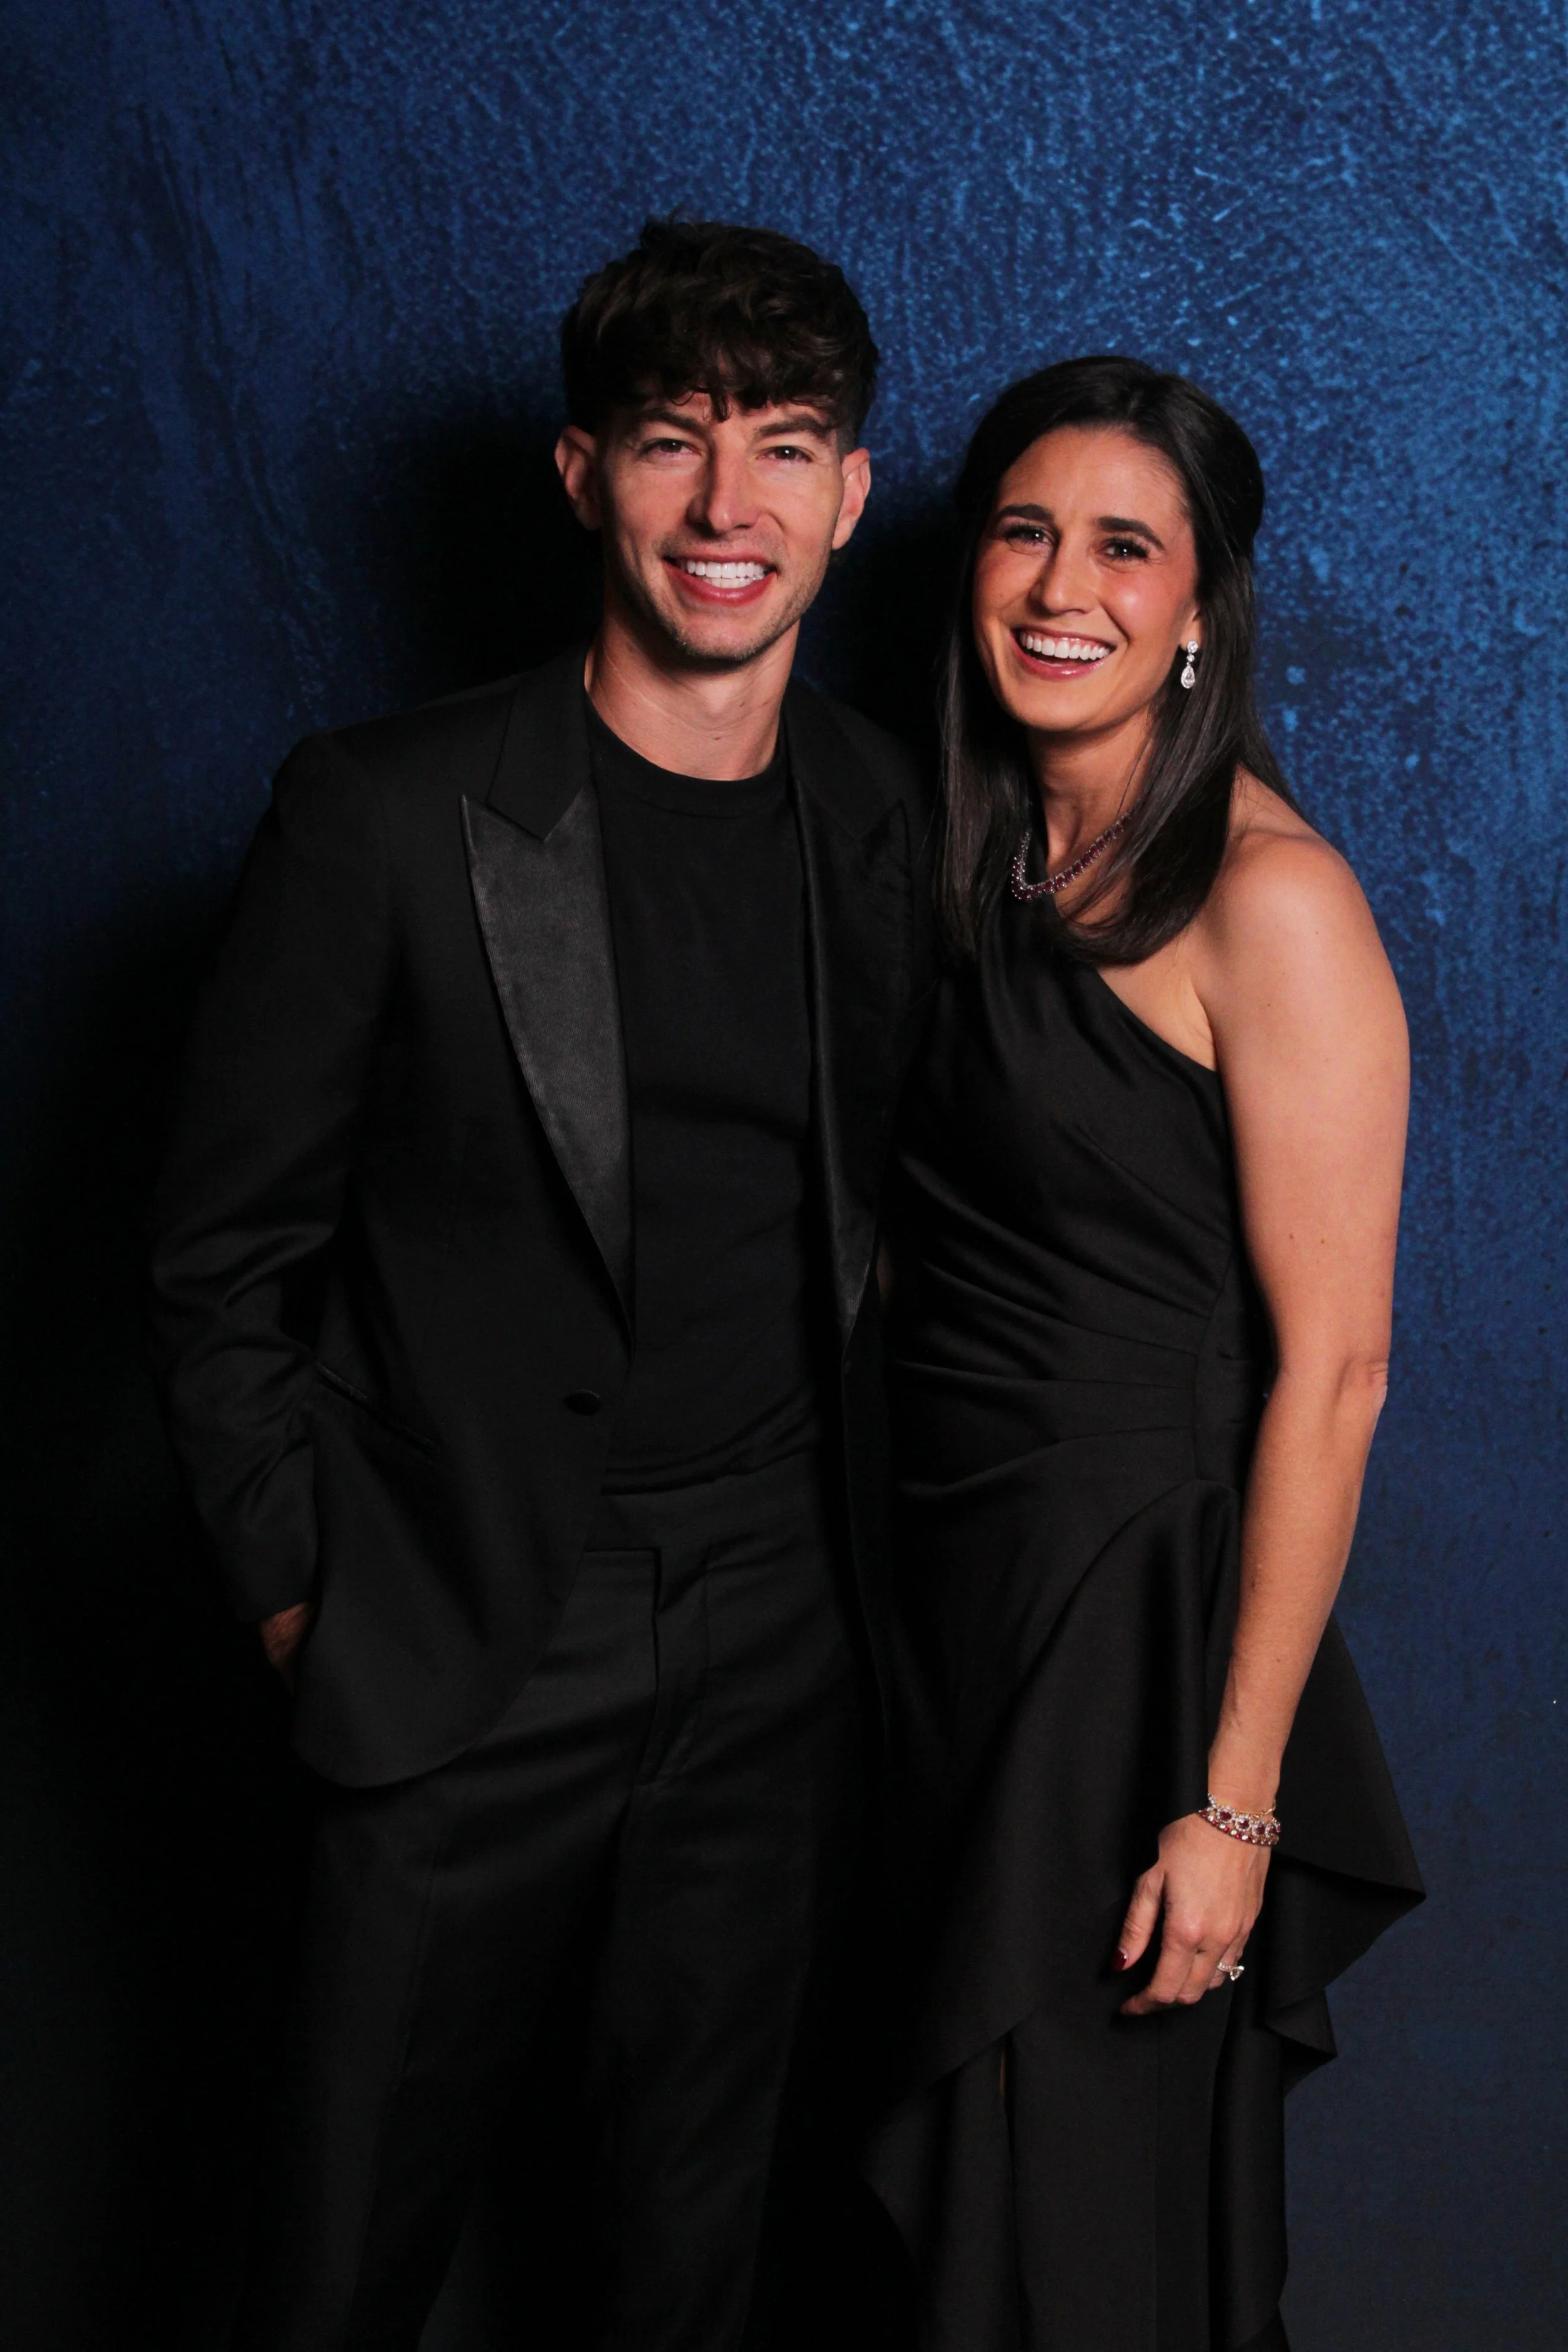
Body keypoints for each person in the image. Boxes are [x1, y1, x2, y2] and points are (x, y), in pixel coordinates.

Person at [149, 216, 935, 2352]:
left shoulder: (888, 824)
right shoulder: (385, 815)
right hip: (453, 1622)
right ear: (579, 473)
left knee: (686, 2260)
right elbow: (218, 1254)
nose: (727, 505)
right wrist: (308, 1597)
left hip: (781, 1639)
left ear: (854, 497)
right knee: (336, 2263)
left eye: (784, 448)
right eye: (674, 442)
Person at [863, 357, 1424, 2352]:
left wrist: (1235, 1802)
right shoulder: (961, 853)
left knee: (1073, 2228)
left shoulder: (1270, 903)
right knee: (920, 2243)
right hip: (935, 1609)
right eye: (1021, 531)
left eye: (1123, 545)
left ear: (1199, 612)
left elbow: (1333, 1368)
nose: (1057, 585)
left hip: (1124, 1651)